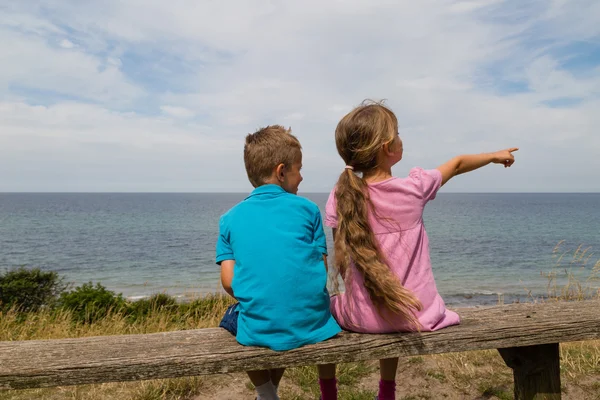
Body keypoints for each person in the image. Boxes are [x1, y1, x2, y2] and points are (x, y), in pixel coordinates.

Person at [325, 101, 517, 400]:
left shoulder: (342, 196)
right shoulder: (413, 188)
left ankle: (328, 391)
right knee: (394, 297)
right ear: (389, 147)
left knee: (329, 302)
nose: (402, 138)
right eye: (398, 134)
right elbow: (456, 164)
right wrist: (494, 156)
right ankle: (387, 390)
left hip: (360, 319)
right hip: (415, 316)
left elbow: (341, 260)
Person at [216, 125, 341, 400]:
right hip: (313, 323)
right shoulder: (309, 210)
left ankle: (266, 393)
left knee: (235, 315)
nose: (302, 176)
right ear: (282, 171)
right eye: (299, 169)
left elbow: (228, 283)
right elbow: (319, 270)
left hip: (261, 328)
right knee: (284, 304)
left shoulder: (229, 219)